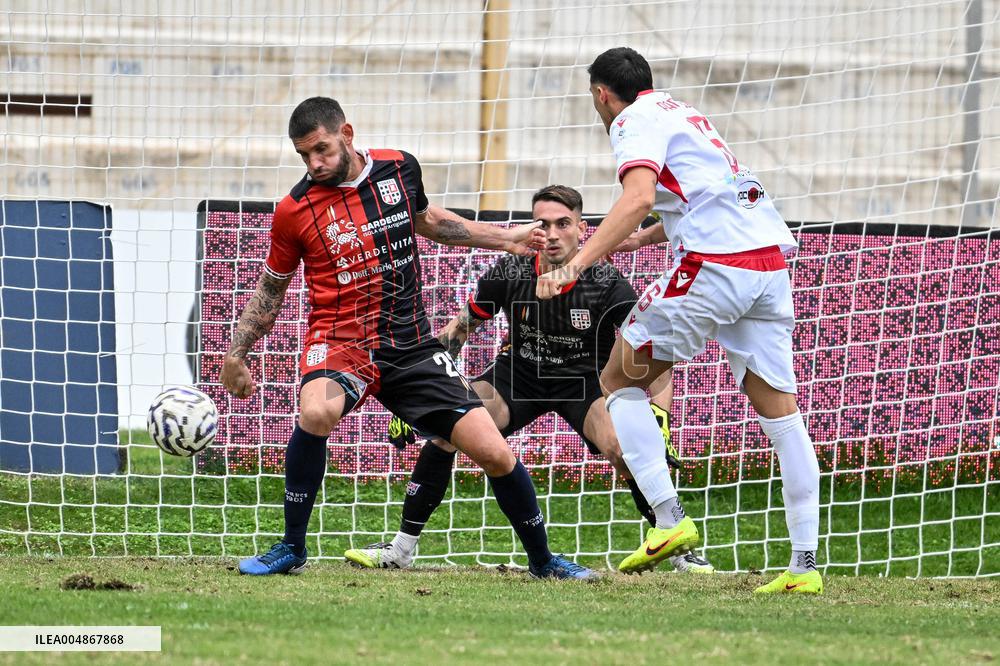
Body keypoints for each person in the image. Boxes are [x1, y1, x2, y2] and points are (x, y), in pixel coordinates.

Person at [221, 97, 596, 580]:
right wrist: (237, 352)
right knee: (316, 411)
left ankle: (544, 562)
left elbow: (431, 222)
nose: (315, 163)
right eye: (304, 156)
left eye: (322, 149)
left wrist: (507, 238)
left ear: (348, 134)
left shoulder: (399, 169)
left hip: (412, 346)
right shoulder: (294, 211)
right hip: (342, 343)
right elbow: (272, 288)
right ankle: (292, 546)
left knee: (495, 452)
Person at [536, 48, 822, 594]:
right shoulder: (682, 111)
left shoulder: (630, 119)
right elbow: (701, 196)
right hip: (767, 266)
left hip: (715, 268)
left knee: (619, 379)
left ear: (600, 94)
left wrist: (574, 264)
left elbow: (638, 196)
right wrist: (650, 235)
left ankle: (668, 522)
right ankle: (804, 568)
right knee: (782, 417)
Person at [344, 185, 713, 574]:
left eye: (563, 224)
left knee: (625, 449)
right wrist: (418, 395)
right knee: (445, 429)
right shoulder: (511, 270)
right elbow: (460, 329)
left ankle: (677, 547)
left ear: (581, 228)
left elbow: (651, 354)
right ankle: (400, 550)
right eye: (543, 224)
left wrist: (659, 414)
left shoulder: (607, 283)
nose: (552, 234)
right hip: (517, 376)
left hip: (585, 383)